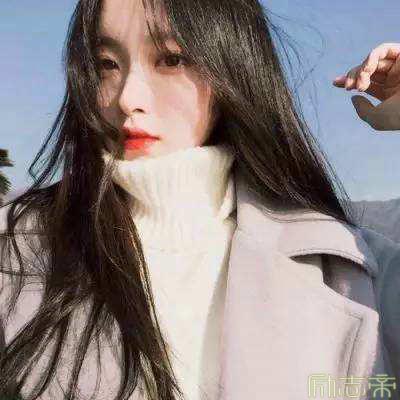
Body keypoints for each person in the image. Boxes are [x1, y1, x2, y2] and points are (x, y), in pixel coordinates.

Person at [0, 0, 399, 399]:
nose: (127, 98)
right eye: (106, 64)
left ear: (233, 65)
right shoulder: (16, 254)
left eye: (171, 60)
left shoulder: (358, 270)